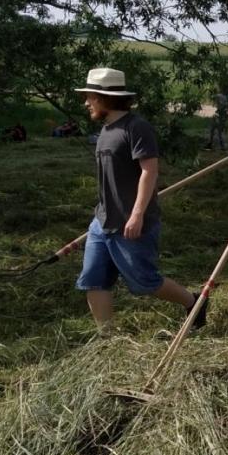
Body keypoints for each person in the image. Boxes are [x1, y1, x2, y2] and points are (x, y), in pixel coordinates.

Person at [73, 67, 206, 335]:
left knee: (144, 282)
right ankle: (107, 336)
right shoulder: (106, 130)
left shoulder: (136, 127)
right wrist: (99, 215)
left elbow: (149, 171)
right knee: (93, 279)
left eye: (90, 97)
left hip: (130, 222)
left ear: (105, 98)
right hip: (102, 221)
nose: (86, 102)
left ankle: (195, 302)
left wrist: (136, 215)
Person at [205, 85, 228, 150]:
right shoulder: (226, 97)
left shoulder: (220, 96)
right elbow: (226, 106)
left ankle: (219, 145)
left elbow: (214, 98)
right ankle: (218, 145)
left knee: (216, 130)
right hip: (222, 115)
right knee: (216, 130)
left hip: (220, 115)